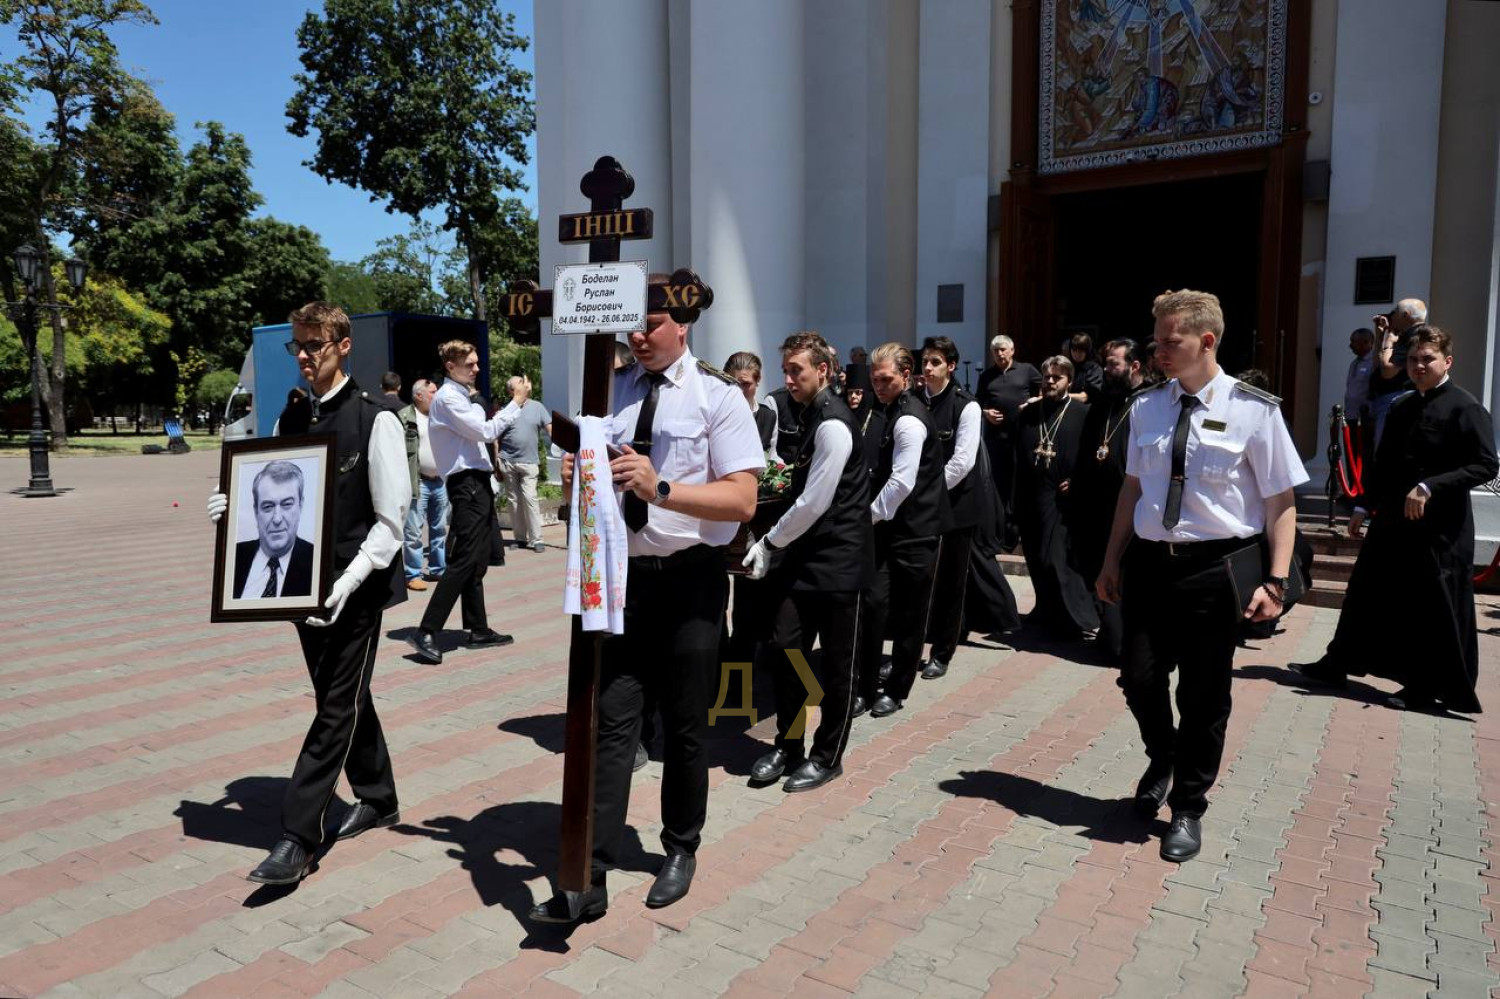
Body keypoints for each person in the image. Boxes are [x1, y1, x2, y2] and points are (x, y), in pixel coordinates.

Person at [530, 301, 763, 923]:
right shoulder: (610, 393)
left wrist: (659, 488)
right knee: (613, 723)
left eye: (651, 323)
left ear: (682, 325)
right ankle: (591, 873)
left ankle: (681, 847)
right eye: (630, 324)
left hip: (691, 582)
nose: (636, 335)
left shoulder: (718, 396)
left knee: (685, 725)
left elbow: (743, 500)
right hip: (625, 581)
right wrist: (578, 475)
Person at [1096, 289, 1307, 863]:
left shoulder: (1254, 409)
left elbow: (1280, 501)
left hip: (1215, 570)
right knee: (1138, 676)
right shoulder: (1147, 406)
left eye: (1171, 341)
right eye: (1156, 341)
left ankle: (1188, 806)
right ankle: (1162, 756)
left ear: (1207, 341)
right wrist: (1111, 559)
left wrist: (1276, 582)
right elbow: (1132, 489)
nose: (1158, 351)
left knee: (1204, 695)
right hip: (1149, 564)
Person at [206, 301, 408, 884]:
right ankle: (379, 795)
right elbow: (267, 495)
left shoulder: (376, 419)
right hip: (301, 587)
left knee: (335, 706)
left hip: (356, 587)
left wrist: (345, 584)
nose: (303, 355)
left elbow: (390, 524)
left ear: (343, 346)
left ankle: (298, 836)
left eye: (314, 344)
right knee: (341, 694)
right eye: (297, 344)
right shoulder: (290, 418)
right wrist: (232, 511)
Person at [1292, 327, 1496, 712]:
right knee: (1366, 590)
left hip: (1440, 529)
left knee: (1428, 606)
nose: (1418, 366)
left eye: (1427, 359)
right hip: (1392, 520)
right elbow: (1383, 464)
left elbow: (1486, 465)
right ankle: (1337, 664)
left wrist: (1430, 486)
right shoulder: (1402, 406)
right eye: (1413, 359)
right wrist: (1361, 506)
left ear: (1447, 361)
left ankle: (1423, 687)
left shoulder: (1465, 408)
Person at [741, 332, 871, 792]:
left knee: (837, 667)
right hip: (806, 559)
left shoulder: (833, 423)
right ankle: (789, 744)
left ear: (823, 370)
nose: (789, 379)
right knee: (787, 649)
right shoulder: (810, 414)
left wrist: (769, 543)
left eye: (797, 370)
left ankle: (826, 756)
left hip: (838, 562)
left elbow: (815, 501)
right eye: (786, 371)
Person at [406, 341, 526, 665]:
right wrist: (515, 403)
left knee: (476, 560)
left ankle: (478, 628)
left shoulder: (461, 397)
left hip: (476, 484)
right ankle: (427, 630)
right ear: (450, 366)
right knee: (465, 559)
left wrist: (478, 406)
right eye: (469, 364)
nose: (476, 368)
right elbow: (486, 431)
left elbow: (479, 425)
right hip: (467, 484)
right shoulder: (448, 398)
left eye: (476, 362)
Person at [857, 342, 951, 718]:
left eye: (885, 379)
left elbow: (901, 483)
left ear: (906, 376)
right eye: (874, 379)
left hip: (916, 530)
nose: (878, 386)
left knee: (911, 614)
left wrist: (865, 518)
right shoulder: (887, 409)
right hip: (888, 528)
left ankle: (897, 689)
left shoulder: (909, 418)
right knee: (873, 605)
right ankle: (864, 686)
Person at [1071, 339, 1146, 659]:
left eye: (1114, 364)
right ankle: (1110, 631)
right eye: (1106, 364)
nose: (1106, 370)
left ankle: (1125, 641)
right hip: (1097, 506)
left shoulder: (1148, 404)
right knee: (1098, 567)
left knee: (1129, 575)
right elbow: (1087, 449)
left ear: (1135, 366)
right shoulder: (1103, 403)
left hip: (1134, 509)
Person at [1014, 356, 1098, 638]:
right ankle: (1046, 609)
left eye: (1057, 377)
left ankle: (1077, 617)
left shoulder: (1082, 413)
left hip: (1062, 497)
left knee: (1055, 557)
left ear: (1069, 382)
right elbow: (1017, 452)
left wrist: (1078, 480)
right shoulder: (1029, 413)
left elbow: (1093, 455)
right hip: (1031, 493)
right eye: (1047, 376)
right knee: (1035, 555)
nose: (1050, 381)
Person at [917, 336, 983, 680]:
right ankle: (910, 650)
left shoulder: (965, 406)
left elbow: (962, 462)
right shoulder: (915, 401)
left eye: (936, 362)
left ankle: (942, 652)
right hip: (917, 507)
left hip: (954, 508)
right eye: (925, 361)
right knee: (917, 581)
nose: (928, 368)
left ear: (951, 366)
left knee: (949, 584)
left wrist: (924, 493)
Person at [975, 334, 1042, 547]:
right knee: (997, 484)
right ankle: (998, 533)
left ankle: (1018, 532)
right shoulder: (987, 376)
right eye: (995, 350)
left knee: (1020, 482)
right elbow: (977, 401)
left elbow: (1046, 390)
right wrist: (985, 412)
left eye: (1003, 349)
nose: (999, 353)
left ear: (1012, 351)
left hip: (1023, 436)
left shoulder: (1027, 370)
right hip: (996, 439)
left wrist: (1033, 402)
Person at [233, 460, 315, 599]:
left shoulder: (316, 562)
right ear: (256, 511)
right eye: (268, 506)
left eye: (287, 504)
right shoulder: (233, 557)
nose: (277, 519)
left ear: (300, 506)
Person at [399, 379, 447, 591]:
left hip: (440, 481)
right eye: (433, 392)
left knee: (439, 529)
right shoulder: (405, 417)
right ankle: (413, 574)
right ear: (419, 395)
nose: (437, 395)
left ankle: (438, 569)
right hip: (417, 482)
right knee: (413, 532)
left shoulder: (441, 416)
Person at [497, 375, 552, 554]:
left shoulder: (537, 407)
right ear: (511, 391)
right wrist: (496, 462)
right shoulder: (506, 410)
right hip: (507, 461)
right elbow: (495, 437)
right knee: (514, 501)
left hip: (529, 462)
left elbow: (550, 428)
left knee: (530, 499)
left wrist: (564, 444)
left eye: (522, 382)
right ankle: (520, 538)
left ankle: (537, 539)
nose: (524, 384)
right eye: (519, 383)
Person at [1366, 298, 1426, 448]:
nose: (1391, 317)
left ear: (1405, 315)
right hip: (1389, 399)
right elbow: (1377, 366)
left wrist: (1389, 342)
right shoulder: (1404, 335)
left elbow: (1387, 370)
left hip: (1396, 398)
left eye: (1394, 313)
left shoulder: (1414, 336)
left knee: (1385, 450)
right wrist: (1380, 336)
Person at [725, 351, 777, 454]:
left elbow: (773, 456)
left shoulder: (768, 416)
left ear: (758, 380)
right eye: (733, 384)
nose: (739, 390)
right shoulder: (715, 414)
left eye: (745, 384)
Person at [1066, 333, 1104, 404]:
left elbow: (1085, 397)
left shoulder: (1095, 369)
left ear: (1087, 351)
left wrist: (1063, 396)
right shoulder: (1068, 366)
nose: (1077, 353)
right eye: (1074, 349)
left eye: (1081, 350)